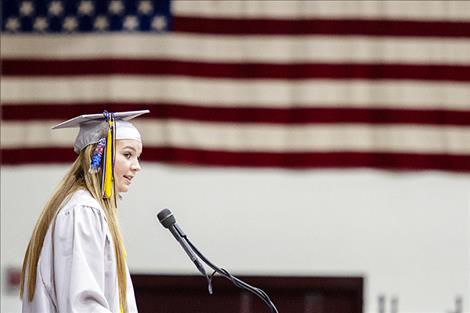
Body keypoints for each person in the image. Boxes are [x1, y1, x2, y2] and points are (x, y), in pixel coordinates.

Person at [20, 110, 149, 313]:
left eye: (137, 157)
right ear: (98, 155)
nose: (136, 166)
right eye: (127, 155)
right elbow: (83, 304)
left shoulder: (84, 208)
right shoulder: (82, 212)